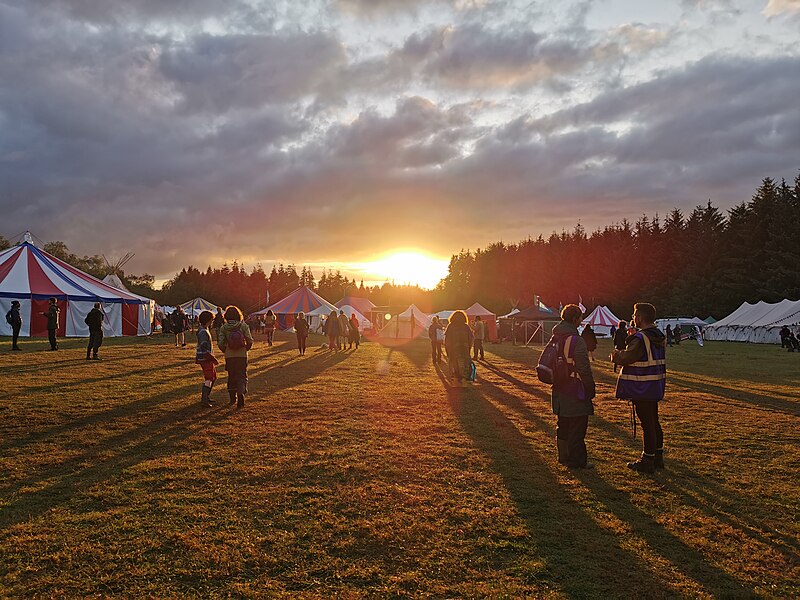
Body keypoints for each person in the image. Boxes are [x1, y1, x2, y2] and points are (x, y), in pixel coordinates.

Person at [612, 302, 667, 474]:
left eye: (635, 314)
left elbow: (628, 357)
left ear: (641, 317)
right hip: (655, 384)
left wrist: (616, 355)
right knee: (654, 421)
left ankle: (647, 460)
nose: (633, 318)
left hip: (641, 386)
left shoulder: (641, 338)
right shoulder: (658, 335)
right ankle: (658, 457)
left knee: (647, 423)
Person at [551, 304, 596, 469]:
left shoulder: (555, 337)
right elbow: (584, 368)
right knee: (577, 425)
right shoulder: (576, 340)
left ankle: (563, 456)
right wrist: (590, 387)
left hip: (558, 386)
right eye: (580, 318)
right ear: (575, 319)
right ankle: (577, 460)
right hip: (575, 387)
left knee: (563, 423)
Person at [218, 305, 253, 408]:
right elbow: (250, 340)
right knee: (242, 375)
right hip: (242, 355)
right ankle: (241, 392)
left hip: (230, 356)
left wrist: (226, 350)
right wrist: (245, 348)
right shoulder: (243, 326)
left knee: (231, 376)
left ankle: (232, 398)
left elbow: (220, 343)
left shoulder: (224, 328)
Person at [195, 310, 219, 407]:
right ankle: (204, 399)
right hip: (205, 358)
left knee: (213, 377)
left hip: (205, 357)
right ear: (209, 320)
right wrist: (212, 358)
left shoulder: (203, 330)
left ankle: (206, 396)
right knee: (209, 378)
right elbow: (204, 347)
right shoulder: (204, 332)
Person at [445, 310, 473, 386]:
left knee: (455, 365)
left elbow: (447, 340)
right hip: (465, 350)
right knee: (465, 364)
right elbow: (471, 338)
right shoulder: (466, 327)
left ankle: (456, 382)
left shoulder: (450, 326)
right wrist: (468, 348)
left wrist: (448, 350)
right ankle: (464, 381)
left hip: (454, 350)